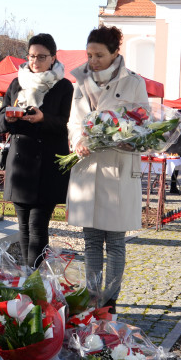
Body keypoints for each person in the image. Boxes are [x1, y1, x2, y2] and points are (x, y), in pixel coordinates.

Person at [67, 26, 148, 312]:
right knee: (90, 240)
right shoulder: (80, 82)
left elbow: (144, 125)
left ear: (115, 53)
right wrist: (77, 140)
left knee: (114, 240)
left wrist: (127, 138)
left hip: (118, 167)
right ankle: (91, 298)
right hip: (88, 166)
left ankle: (110, 301)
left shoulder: (134, 83)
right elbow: (74, 120)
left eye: (99, 55)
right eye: (89, 54)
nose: (93, 60)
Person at [0, 33, 72, 268]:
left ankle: (35, 279)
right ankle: (28, 277)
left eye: (41, 57)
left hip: (47, 164)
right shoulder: (17, 83)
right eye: (31, 56)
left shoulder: (63, 86)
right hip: (20, 165)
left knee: (38, 226)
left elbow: (66, 122)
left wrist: (42, 118)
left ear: (53, 58)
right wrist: (8, 118)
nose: (35, 61)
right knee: (23, 227)